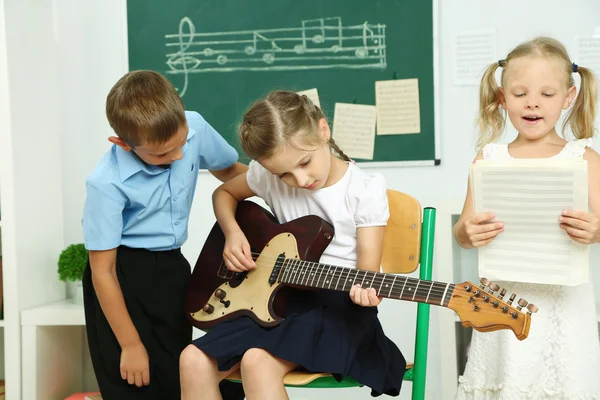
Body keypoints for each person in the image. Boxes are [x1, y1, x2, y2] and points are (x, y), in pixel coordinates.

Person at [179, 90, 407, 399]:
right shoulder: (267, 176)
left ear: (323, 130)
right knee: (191, 359)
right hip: (278, 303)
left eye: (305, 162)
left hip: (338, 311)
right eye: (284, 173)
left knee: (256, 361)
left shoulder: (364, 190)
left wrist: (369, 294)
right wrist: (233, 233)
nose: (300, 180)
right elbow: (224, 194)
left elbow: (367, 275)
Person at [82, 70, 247, 400]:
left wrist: (280, 186)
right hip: (121, 278)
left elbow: (230, 170)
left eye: (182, 144)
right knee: (134, 380)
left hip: (171, 268)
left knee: (178, 374)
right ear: (122, 144)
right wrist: (130, 345)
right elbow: (103, 271)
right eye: (160, 155)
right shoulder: (106, 183)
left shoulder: (194, 125)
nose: (178, 157)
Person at [453, 37, 600, 398]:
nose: (533, 102)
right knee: (508, 384)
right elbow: (462, 231)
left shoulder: (584, 158)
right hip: (504, 301)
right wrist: (467, 232)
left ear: (569, 97)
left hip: (564, 306)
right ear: (502, 98)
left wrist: (596, 230)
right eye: (520, 93)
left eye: (547, 94)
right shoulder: (488, 159)